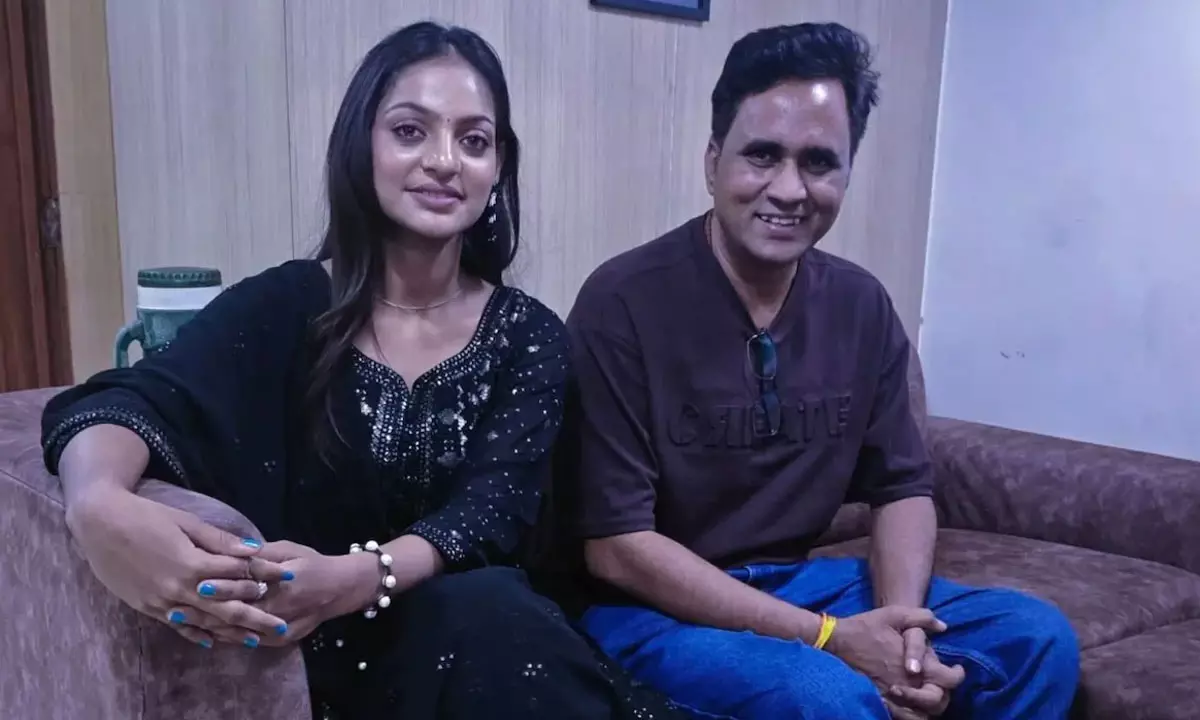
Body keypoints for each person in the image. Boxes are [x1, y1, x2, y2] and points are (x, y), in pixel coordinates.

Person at [40, 22, 684, 720]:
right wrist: (96, 501)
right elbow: (130, 401)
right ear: (361, 146)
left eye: (474, 141)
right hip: (316, 669)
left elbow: (492, 513)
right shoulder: (288, 305)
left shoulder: (528, 335)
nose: (445, 161)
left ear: (498, 168)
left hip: (494, 658)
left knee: (489, 608)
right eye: (410, 131)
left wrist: (360, 576)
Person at [559, 22, 1081, 720]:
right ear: (713, 162)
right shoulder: (622, 303)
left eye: (819, 163)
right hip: (649, 613)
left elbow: (902, 487)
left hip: (802, 583)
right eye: (762, 155)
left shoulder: (861, 305)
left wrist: (901, 634)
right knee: (825, 696)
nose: (788, 188)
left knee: (1036, 639)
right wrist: (831, 639)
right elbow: (616, 549)